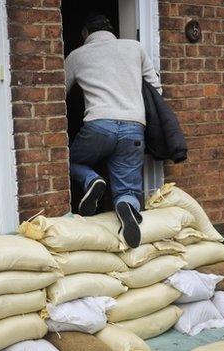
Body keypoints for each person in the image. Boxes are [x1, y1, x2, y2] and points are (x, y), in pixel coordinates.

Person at [65, 13, 162, 248]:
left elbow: (58, 96)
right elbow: (155, 88)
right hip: (134, 128)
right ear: (111, 31)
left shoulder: (77, 55)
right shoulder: (135, 48)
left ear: (85, 34)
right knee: (128, 187)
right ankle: (127, 205)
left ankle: (91, 180)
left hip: (98, 125)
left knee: (65, 161)